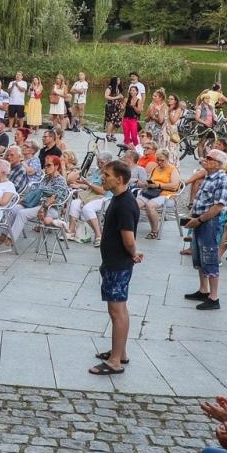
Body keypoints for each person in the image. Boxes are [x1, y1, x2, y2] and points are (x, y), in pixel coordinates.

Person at [90, 161, 142, 377]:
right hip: (114, 262)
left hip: (118, 264)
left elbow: (128, 239)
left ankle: (115, 362)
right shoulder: (119, 199)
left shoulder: (124, 205)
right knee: (119, 310)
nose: (103, 177)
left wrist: (134, 253)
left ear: (119, 179)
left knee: (117, 311)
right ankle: (120, 352)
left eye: (107, 174)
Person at [183, 150, 227, 311]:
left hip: (210, 222)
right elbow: (200, 200)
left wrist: (199, 220)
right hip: (200, 220)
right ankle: (203, 290)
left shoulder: (222, 178)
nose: (205, 159)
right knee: (199, 256)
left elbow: (218, 206)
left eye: (209, 158)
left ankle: (214, 297)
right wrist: (192, 216)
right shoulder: (208, 176)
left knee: (209, 257)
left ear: (218, 164)